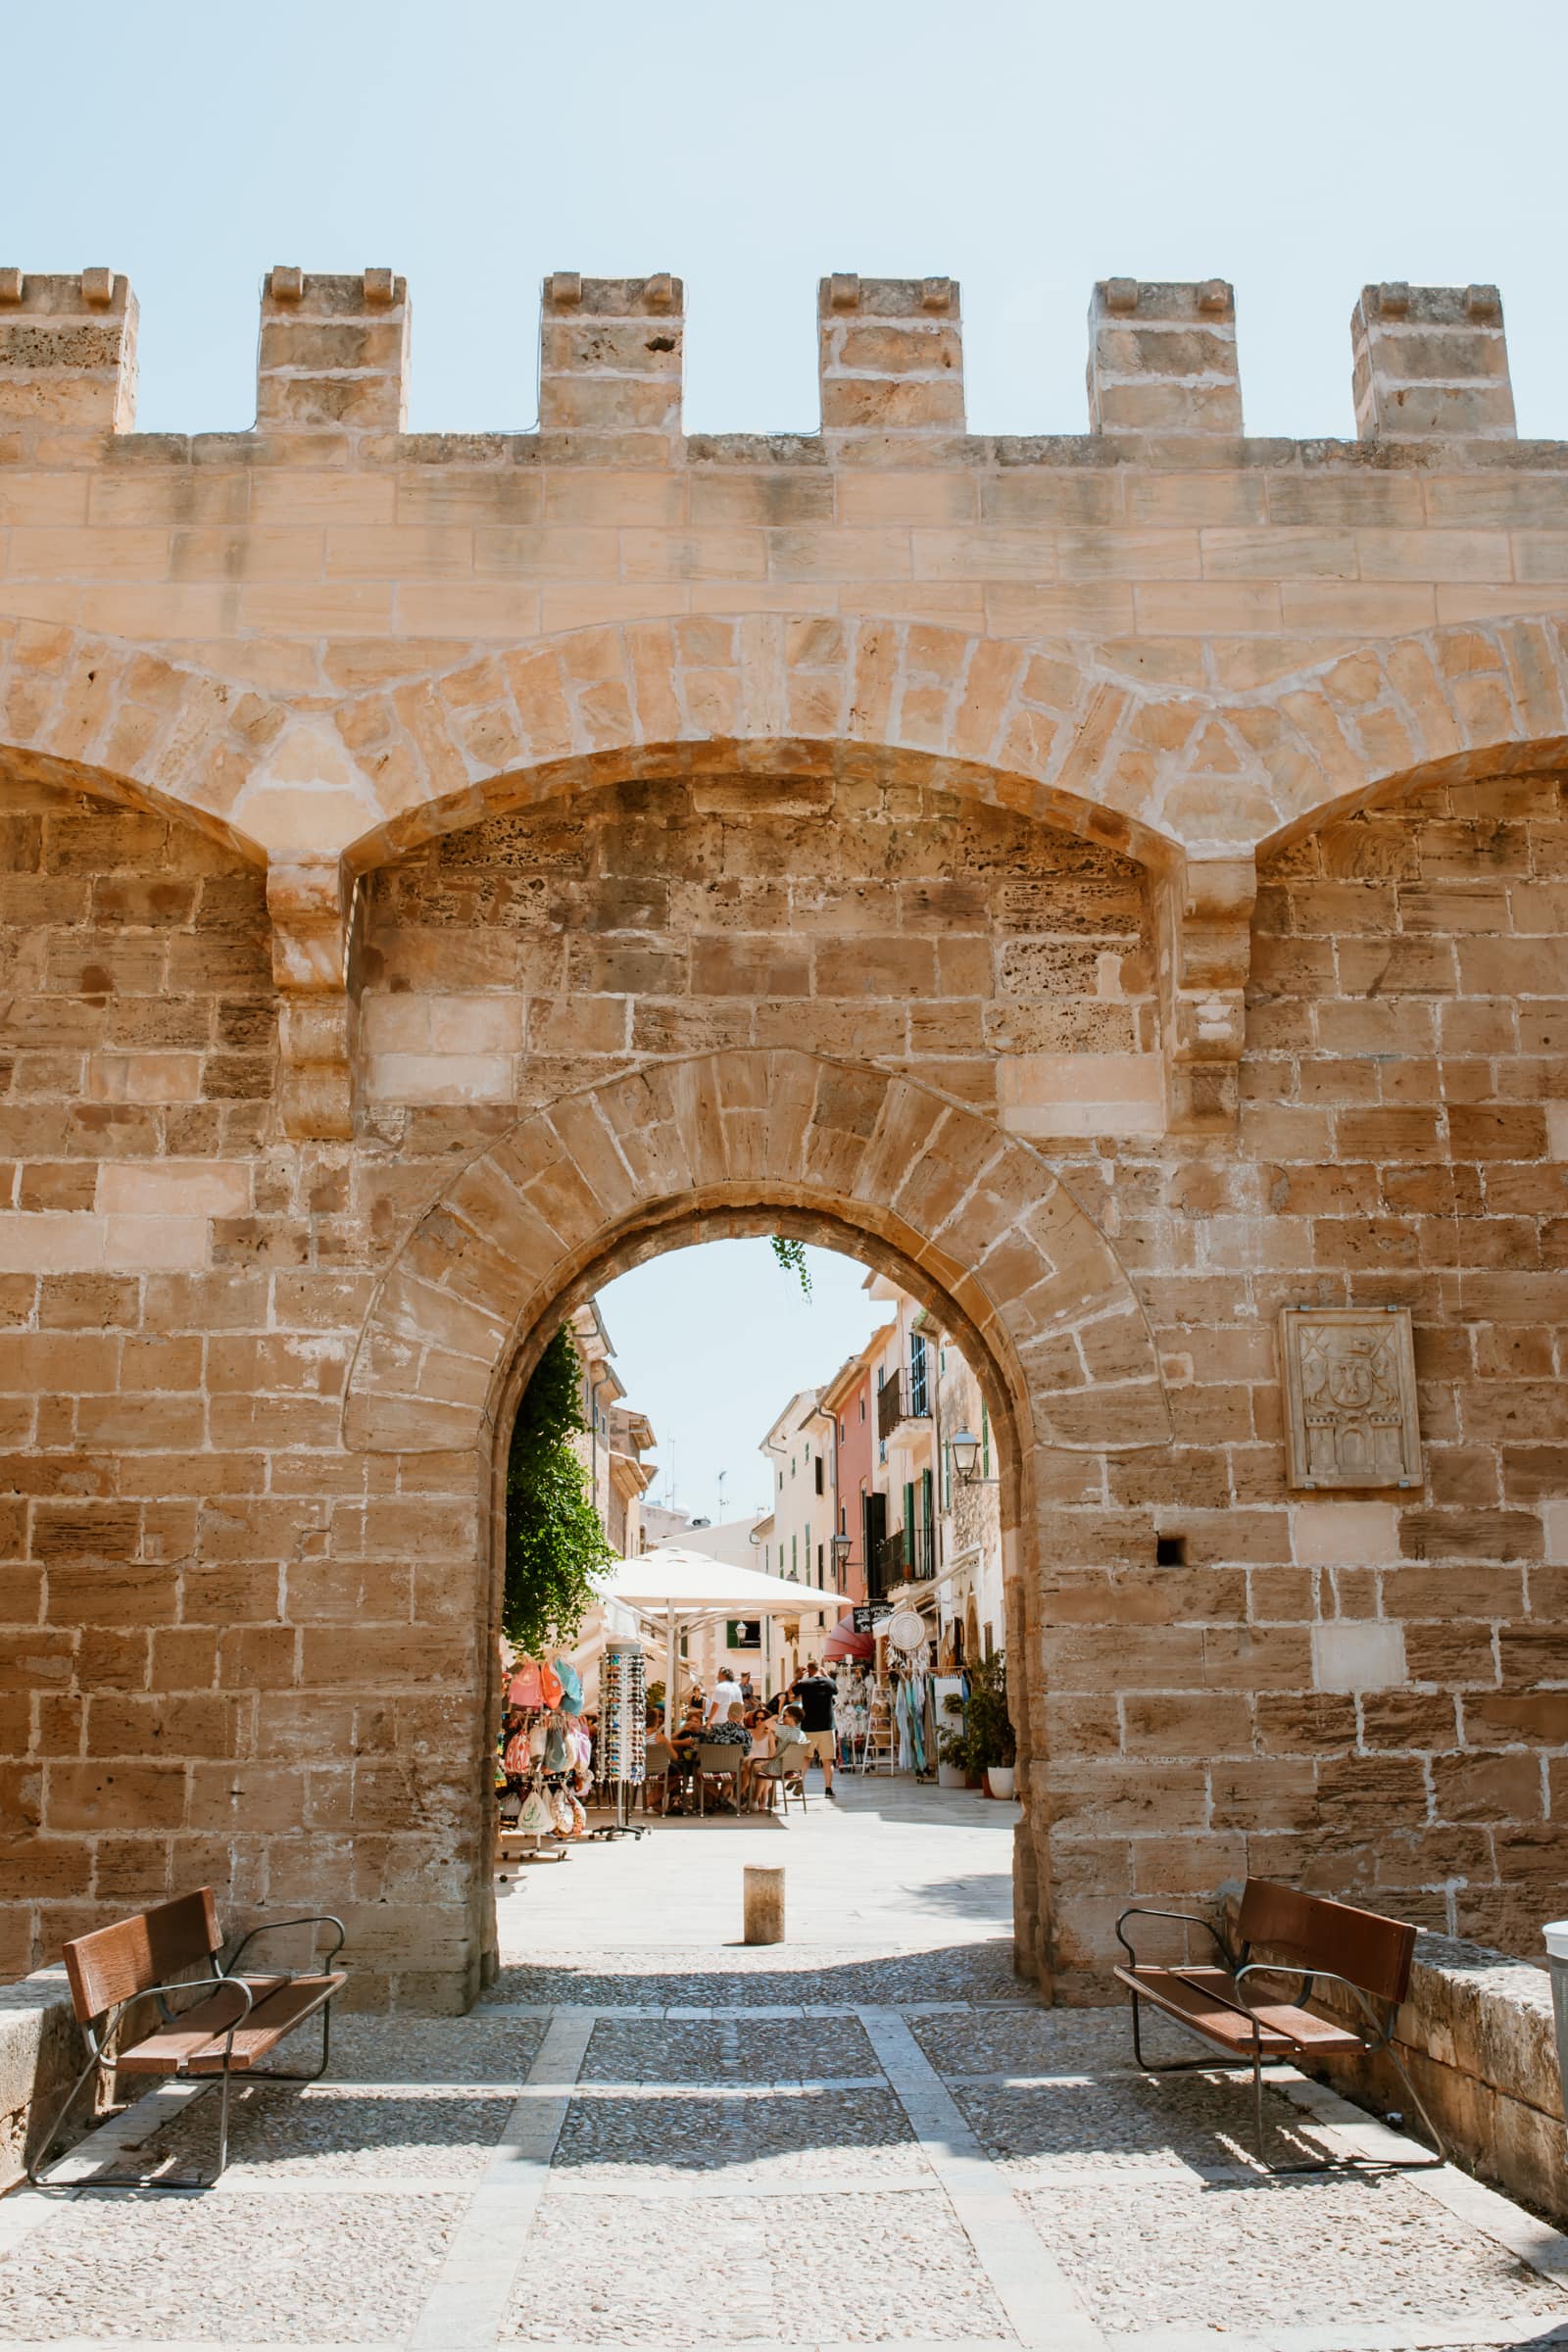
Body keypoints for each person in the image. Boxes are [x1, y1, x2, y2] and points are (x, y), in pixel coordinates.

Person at [789, 1659, 838, 1797]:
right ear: (819, 1668)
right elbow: (837, 1690)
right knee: (827, 1760)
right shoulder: (829, 1683)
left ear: (808, 1670)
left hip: (808, 1727)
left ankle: (800, 1780)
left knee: (806, 1757)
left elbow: (790, 1693)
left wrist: (797, 1677)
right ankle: (828, 1789)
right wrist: (826, 1675)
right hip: (827, 1726)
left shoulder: (804, 1684)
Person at [742, 1704, 775, 1811]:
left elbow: (772, 1752)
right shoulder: (749, 1733)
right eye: (757, 1718)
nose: (759, 1721)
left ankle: (750, 1799)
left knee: (762, 1770)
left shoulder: (769, 1734)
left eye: (762, 1719)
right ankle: (755, 1801)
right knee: (750, 1765)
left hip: (763, 1762)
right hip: (749, 1762)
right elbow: (744, 1750)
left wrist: (765, 1762)